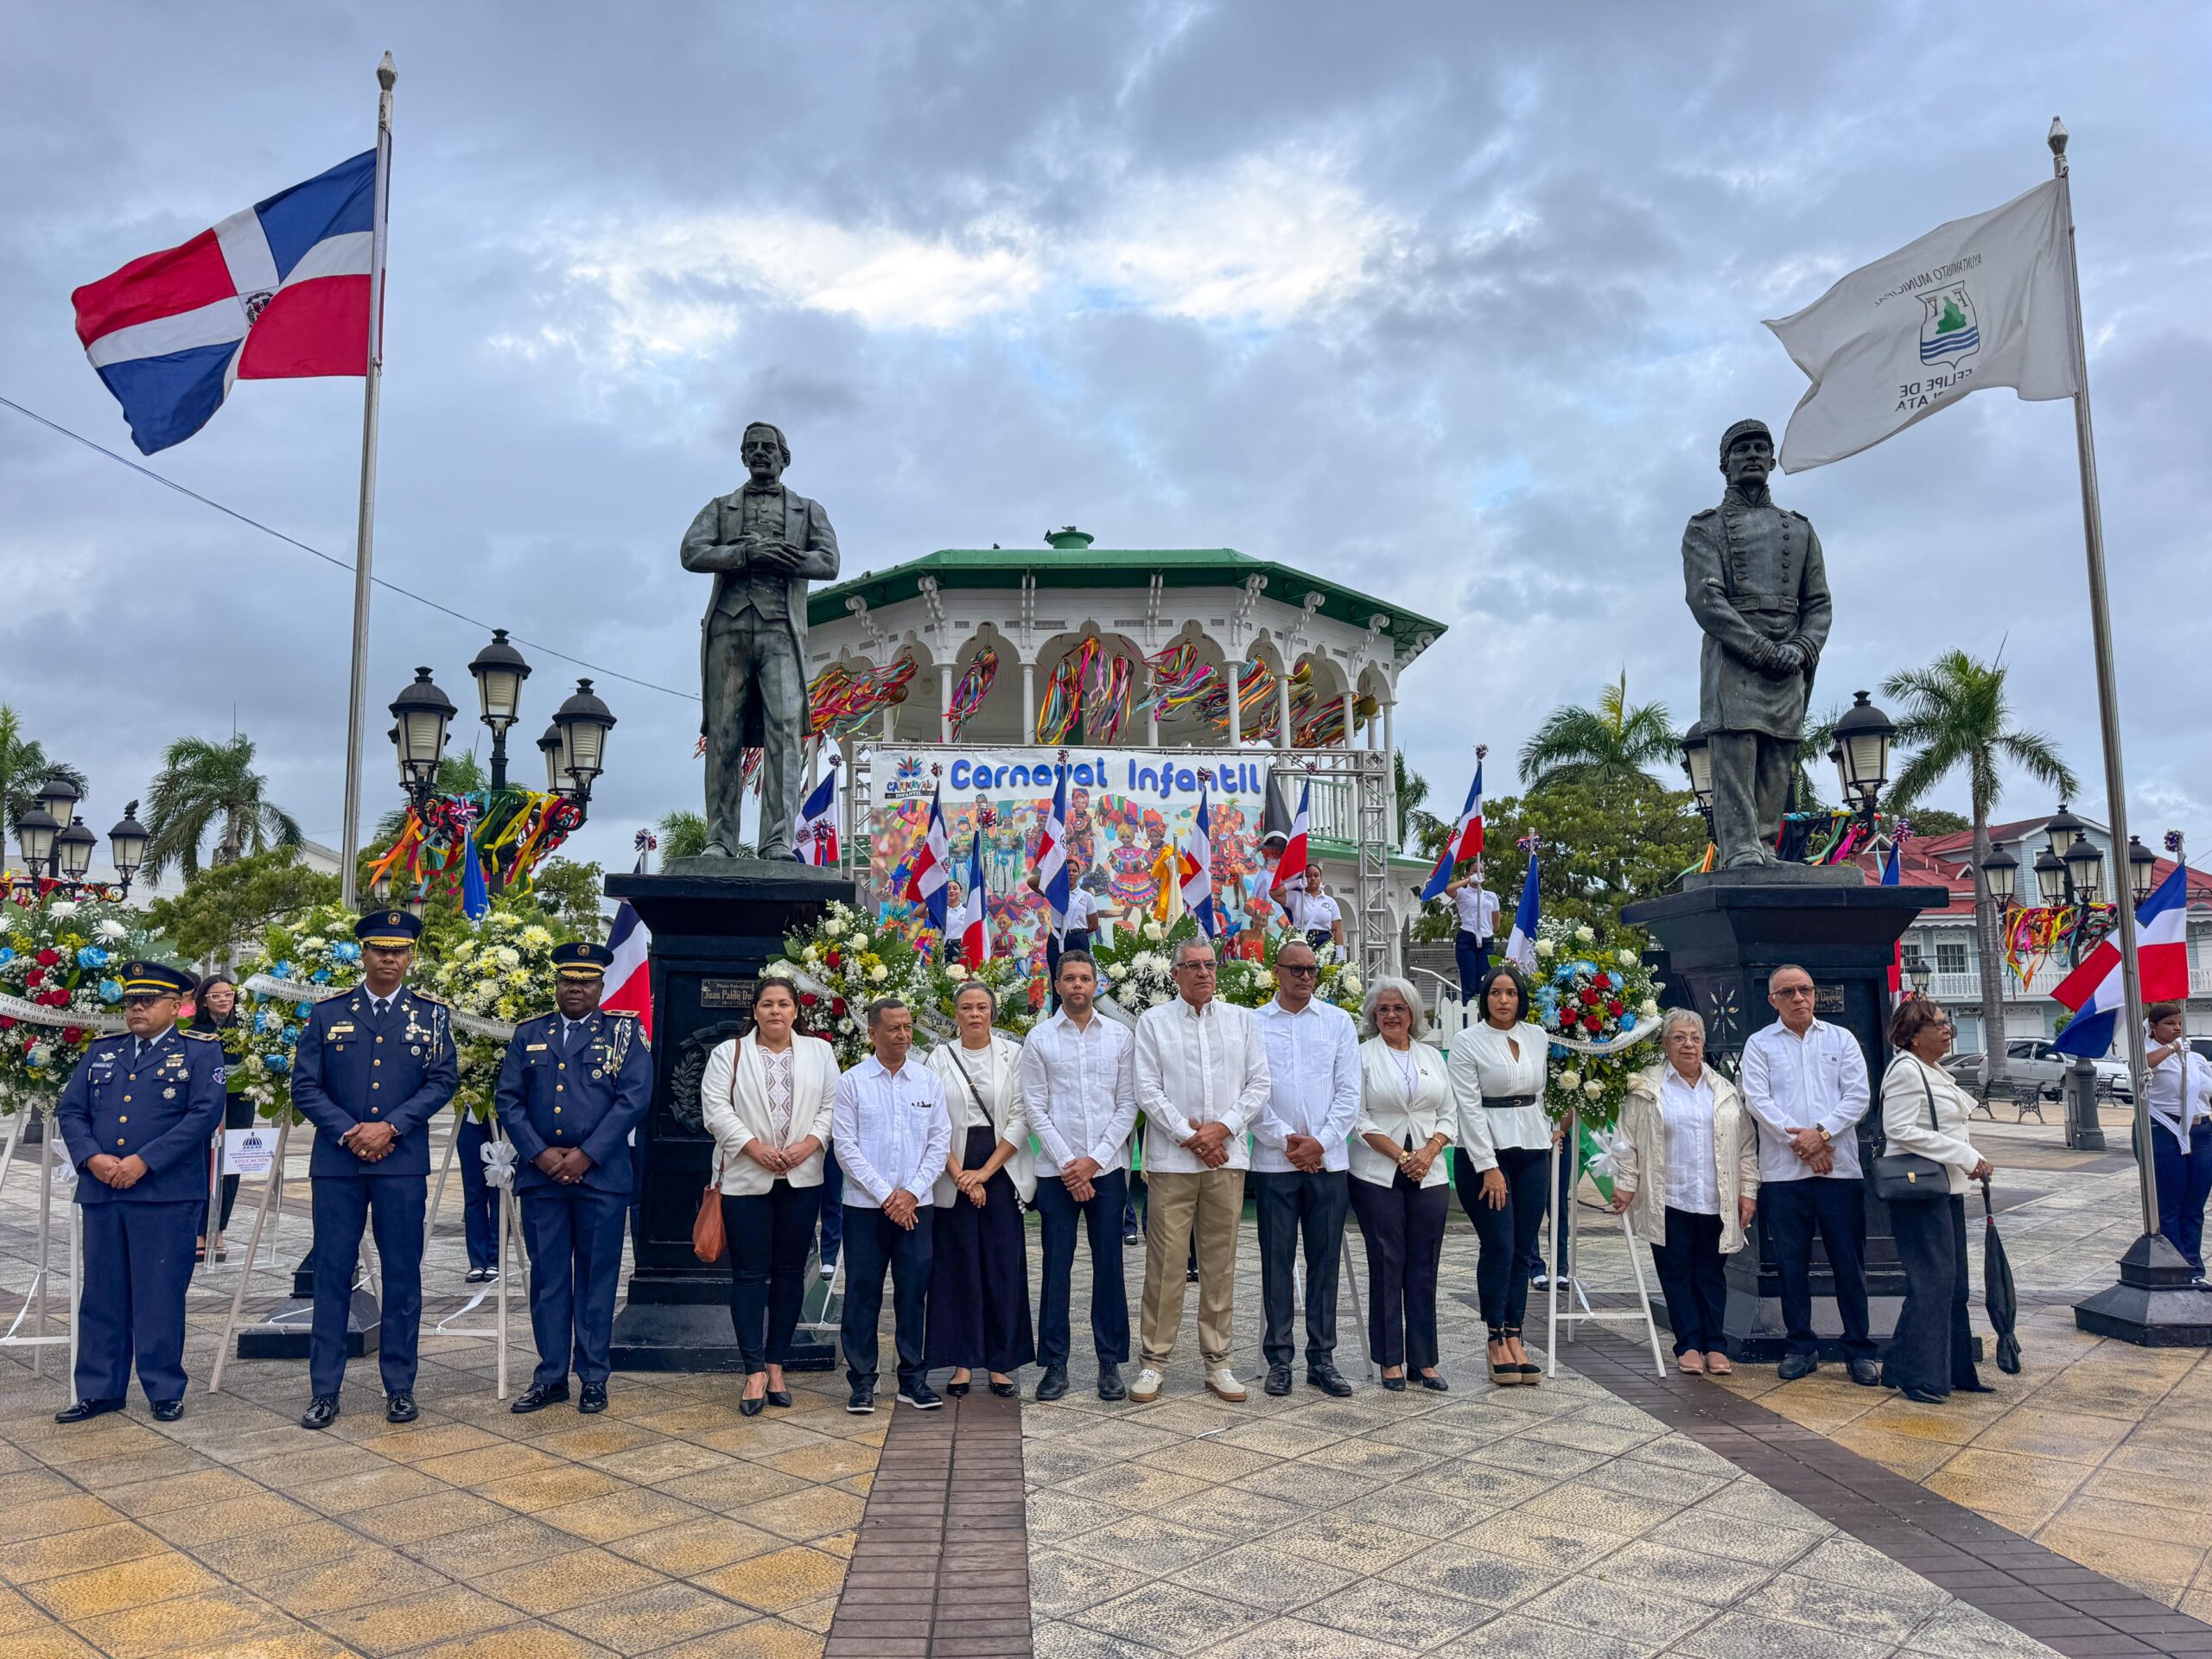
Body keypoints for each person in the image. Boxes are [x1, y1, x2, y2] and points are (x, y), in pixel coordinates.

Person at [292, 910, 456, 1430]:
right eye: (380, 949)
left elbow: (442, 1080)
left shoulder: (432, 1016)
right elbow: (305, 1086)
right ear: (363, 954)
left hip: (401, 1163)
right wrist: (350, 1131)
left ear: (410, 957)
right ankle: (324, 1389)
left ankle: (400, 1386)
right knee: (332, 1274)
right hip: (338, 1163)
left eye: (399, 951)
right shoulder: (327, 1014)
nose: (389, 958)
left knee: (402, 1274)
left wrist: (391, 1127)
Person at [53, 961, 226, 1424]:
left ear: (176, 1006)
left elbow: (204, 1114)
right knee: (102, 1295)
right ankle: (99, 1389)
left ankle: (163, 1388)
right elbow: (71, 1110)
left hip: (165, 1192)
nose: (136, 1009)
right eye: (131, 1000)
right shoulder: (103, 1051)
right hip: (104, 1189)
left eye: (148, 1001)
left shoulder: (198, 1051)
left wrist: (144, 1161)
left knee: (159, 1294)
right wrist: (91, 1157)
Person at [495, 942, 653, 1416]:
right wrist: (539, 1153)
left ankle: (593, 1376)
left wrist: (586, 1155)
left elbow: (633, 1098)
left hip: (601, 1178)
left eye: (586, 981)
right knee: (548, 1280)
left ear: (601, 986)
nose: (576, 988)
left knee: (596, 1280)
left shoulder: (624, 1034)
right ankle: (549, 1377)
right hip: (542, 1179)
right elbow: (509, 1100)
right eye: (568, 980)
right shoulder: (529, 1033)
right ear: (557, 984)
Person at [1130, 937, 1269, 1404]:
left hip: (1226, 1159)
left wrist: (1222, 1129)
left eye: (1210, 965)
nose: (1204, 973)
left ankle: (1218, 1361)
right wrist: (1190, 1137)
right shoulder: (1154, 1022)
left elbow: (1259, 1084)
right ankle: (1154, 1362)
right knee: (1165, 1266)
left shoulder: (1242, 1021)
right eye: (1193, 966)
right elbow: (1147, 1089)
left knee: (1219, 1264)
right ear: (1175, 974)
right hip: (1173, 1162)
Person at [701, 974, 839, 1415]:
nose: (775, 1011)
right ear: (755, 1011)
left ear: (796, 1010)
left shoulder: (819, 1052)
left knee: (789, 1272)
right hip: (746, 1177)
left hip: (801, 1178)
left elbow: (832, 1107)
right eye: (767, 1004)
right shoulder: (729, 1053)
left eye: (783, 1004)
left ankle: (777, 1364)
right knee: (748, 1274)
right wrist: (753, 1147)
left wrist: (810, 1144)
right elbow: (715, 1109)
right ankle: (754, 1370)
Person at [1739, 963, 1878, 1386]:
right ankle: (1800, 1346)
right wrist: (1803, 1144)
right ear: (1773, 1000)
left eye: (1805, 989)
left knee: (1848, 1263)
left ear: (1814, 994)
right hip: (1784, 1175)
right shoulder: (1759, 1044)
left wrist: (1822, 1134)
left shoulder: (1841, 1039)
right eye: (1788, 992)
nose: (1799, 997)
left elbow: (1858, 1097)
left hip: (1840, 1170)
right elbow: (1757, 1101)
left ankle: (1859, 1348)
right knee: (1791, 1264)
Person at [1611, 1008, 1760, 1375]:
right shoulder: (1647, 1087)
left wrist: (1748, 1190)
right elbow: (1627, 1139)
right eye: (1678, 1038)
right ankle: (1688, 1343)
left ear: (1704, 1043)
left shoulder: (1724, 1090)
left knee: (1711, 1273)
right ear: (1665, 1044)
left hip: (1715, 1197)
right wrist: (1626, 1184)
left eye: (1694, 1038)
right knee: (1676, 1272)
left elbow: (1745, 1146)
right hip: (1669, 1196)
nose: (1688, 1045)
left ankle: (1715, 1345)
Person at [1020, 949, 1136, 1402]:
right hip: (1057, 1172)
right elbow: (1035, 1108)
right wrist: (1071, 1164)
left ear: (1096, 984)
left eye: (1085, 978)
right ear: (1057, 985)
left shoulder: (1119, 1036)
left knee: (1109, 1266)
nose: (1077, 986)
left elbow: (1127, 1104)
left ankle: (1110, 1363)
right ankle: (1054, 1364)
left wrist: (1095, 1161)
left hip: (1106, 1170)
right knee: (1056, 1268)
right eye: (1069, 979)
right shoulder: (1040, 1038)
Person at [1250, 938, 1360, 1397]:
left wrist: (1320, 1144)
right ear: (1277, 972)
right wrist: (1288, 1142)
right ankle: (1279, 1359)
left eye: (1312, 970)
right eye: (1296, 969)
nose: (1305, 977)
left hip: (1328, 1164)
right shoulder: (1254, 1023)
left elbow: (1349, 1093)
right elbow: (1251, 1093)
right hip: (1275, 1164)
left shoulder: (1337, 1022)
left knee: (1324, 1262)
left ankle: (1322, 1358)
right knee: (1277, 1262)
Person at [834, 997, 952, 1414]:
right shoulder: (852, 1082)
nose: (903, 1035)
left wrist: (911, 1192)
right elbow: (845, 1147)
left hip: (917, 1206)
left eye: (907, 1027)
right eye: (894, 1028)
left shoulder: (927, 1081)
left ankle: (913, 1378)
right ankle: (863, 1380)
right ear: (872, 1033)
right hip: (866, 1208)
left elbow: (939, 1142)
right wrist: (887, 1195)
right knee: (862, 1291)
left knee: (913, 1291)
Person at [1878, 998, 1995, 1403]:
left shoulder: (1932, 1070)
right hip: (1920, 1194)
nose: (1947, 1031)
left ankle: (1954, 1369)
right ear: (1913, 1036)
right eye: (1939, 1025)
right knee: (1932, 1283)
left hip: (1945, 1189)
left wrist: (1970, 1159)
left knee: (1954, 1284)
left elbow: (1946, 1127)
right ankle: (1916, 1374)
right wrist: (1965, 1156)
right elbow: (1899, 1128)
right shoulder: (1906, 1071)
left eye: (1948, 1024)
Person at [924, 982, 1036, 1398]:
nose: (975, 1014)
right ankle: (963, 1362)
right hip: (952, 1169)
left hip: (1001, 1168)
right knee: (958, 1267)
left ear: (993, 1013)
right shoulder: (938, 1058)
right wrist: (961, 1176)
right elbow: (933, 1122)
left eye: (982, 1007)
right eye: (967, 1008)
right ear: (955, 1015)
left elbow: (1022, 1116)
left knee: (1002, 1265)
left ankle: (1001, 1362)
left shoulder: (1013, 1055)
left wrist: (985, 1173)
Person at [1450, 963, 1557, 1386]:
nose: (1503, 1000)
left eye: (1511, 993)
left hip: (1531, 1149)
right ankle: (1495, 1336)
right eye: (1496, 992)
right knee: (1499, 1244)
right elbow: (1468, 1106)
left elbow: (1540, 1093)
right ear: (1485, 998)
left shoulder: (1537, 1036)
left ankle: (1516, 1333)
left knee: (1524, 1248)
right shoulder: (1467, 1041)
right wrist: (1488, 1165)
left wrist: (1550, 1129)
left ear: (1521, 998)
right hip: (1485, 1154)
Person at [1350, 976, 1452, 1392]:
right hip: (1377, 1172)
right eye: (1384, 1009)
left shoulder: (1432, 1056)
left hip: (1431, 1172)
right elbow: (1357, 1117)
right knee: (1387, 1261)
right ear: (1373, 1015)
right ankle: (1390, 1358)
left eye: (1399, 1008)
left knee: (1424, 1264)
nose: (1391, 1015)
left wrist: (1429, 1152)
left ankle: (1424, 1360)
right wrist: (1402, 1156)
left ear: (1413, 1013)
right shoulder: (1362, 1056)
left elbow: (1449, 1113)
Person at [2144, 1001, 2212, 1281]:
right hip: (2166, 1130)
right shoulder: (2149, 1052)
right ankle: (2176, 1269)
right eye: (2170, 1024)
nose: (2177, 1028)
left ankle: (2194, 1268)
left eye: (2180, 1023)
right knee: (2171, 1203)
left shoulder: (2193, 1058)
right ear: (2153, 1027)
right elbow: (2141, 1066)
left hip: (2201, 1131)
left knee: (2195, 1204)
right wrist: (2172, 1048)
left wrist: (2182, 1052)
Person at [191, 972, 253, 1263]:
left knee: (231, 1166)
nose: (224, 1000)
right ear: (204, 1001)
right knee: (203, 1164)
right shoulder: (193, 1030)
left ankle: (219, 1230)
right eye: (216, 996)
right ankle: (200, 1231)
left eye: (228, 995)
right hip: (204, 1104)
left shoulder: (246, 1029)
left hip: (238, 1103)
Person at [1442, 872, 1500, 1007]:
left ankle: (1484, 1013)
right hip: (1467, 938)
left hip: (1486, 939)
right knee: (1469, 983)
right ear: (1468, 873)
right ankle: (1469, 1015)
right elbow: (1448, 889)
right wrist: (1469, 879)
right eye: (1475, 870)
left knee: (1484, 981)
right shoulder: (1462, 893)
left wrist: (1486, 928)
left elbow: (1496, 924)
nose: (1479, 873)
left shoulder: (1491, 896)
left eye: (1482, 870)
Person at [1292, 874, 1344, 954]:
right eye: (1308, 876)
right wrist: (1295, 883)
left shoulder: (1330, 901)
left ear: (1321, 878)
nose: (1313, 879)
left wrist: (1339, 954)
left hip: (1324, 943)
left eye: (1316, 876)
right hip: (1301, 940)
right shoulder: (1296, 897)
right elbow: (1275, 894)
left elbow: (1337, 929)